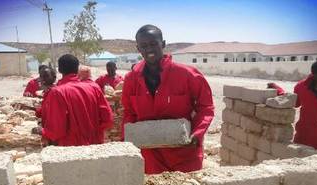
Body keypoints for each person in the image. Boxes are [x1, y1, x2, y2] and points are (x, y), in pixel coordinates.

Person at [122, 25, 215, 174]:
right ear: (138, 48)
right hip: (150, 157)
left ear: (163, 44)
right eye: (144, 45)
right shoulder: (131, 80)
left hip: (185, 155)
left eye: (154, 44)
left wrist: (197, 134)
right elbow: (129, 113)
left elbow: (206, 107)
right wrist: (128, 139)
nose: (149, 49)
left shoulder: (188, 75)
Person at [32, 54, 114, 146]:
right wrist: (93, 131)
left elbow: (56, 131)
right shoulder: (94, 88)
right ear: (77, 68)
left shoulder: (57, 92)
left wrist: (42, 131)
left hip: (71, 150)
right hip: (95, 146)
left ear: (59, 70)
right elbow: (108, 119)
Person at [270, 60, 317, 151]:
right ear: (315, 75)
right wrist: (278, 90)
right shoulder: (301, 86)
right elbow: (294, 102)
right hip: (305, 136)